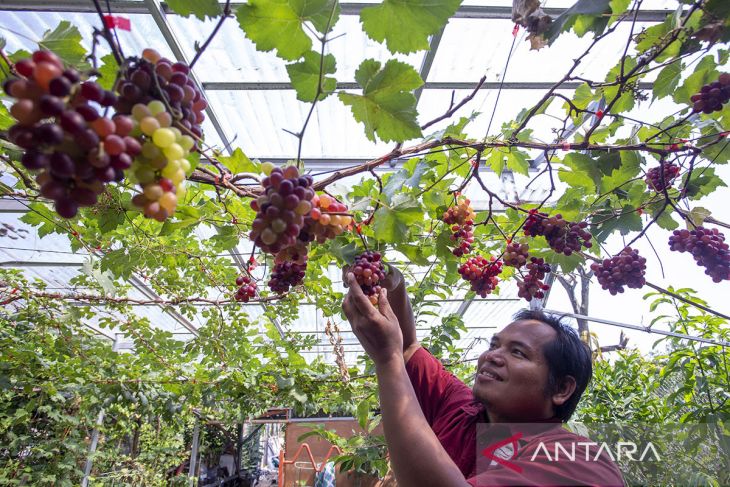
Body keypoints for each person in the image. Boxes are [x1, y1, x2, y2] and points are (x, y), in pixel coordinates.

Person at [342, 266, 624, 487]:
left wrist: (387, 359)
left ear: (562, 388)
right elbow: (407, 347)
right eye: (494, 345)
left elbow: (396, 353)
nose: (492, 356)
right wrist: (394, 282)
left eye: (518, 353)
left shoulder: (577, 461)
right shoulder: (461, 408)